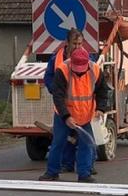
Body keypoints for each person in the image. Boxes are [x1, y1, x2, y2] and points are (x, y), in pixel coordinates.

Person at [39, 47, 106, 183]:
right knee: (58, 142)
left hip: (85, 115)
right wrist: (66, 116)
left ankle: (84, 174)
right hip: (64, 115)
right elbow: (58, 96)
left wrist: (100, 108)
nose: (79, 72)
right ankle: (52, 172)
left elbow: (102, 91)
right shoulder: (62, 70)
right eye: (76, 68)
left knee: (87, 144)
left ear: (88, 63)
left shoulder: (95, 70)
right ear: (71, 62)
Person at [43, 29, 96, 174]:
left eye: (80, 43)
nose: (78, 47)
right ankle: (59, 168)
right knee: (60, 141)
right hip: (63, 108)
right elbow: (48, 77)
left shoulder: (88, 59)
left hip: (82, 109)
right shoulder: (57, 59)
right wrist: (55, 90)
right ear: (67, 43)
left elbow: (96, 80)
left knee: (87, 141)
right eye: (75, 43)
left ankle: (87, 169)